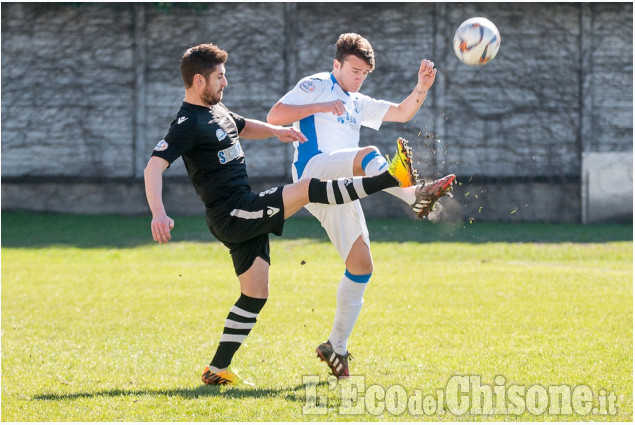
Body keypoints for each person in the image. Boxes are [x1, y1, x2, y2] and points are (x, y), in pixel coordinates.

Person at [143, 42, 423, 386]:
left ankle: (216, 369)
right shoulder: (187, 122)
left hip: (241, 211)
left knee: (256, 293)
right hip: (234, 212)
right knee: (307, 188)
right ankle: (386, 179)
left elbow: (243, 126)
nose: (225, 82)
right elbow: (154, 166)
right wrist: (158, 212)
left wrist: (277, 131)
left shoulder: (217, 112)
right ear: (198, 81)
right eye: (219, 77)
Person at [267, 33, 455, 379]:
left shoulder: (356, 100)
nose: (358, 78)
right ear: (336, 64)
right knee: (369, 154)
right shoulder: (317, 84)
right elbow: (276, 114)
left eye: (364, 74)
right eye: (353, 70)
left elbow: (402, 111)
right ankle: (414, 196)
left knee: (362, 266)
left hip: (340, 187)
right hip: (312, 174)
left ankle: (335, 347)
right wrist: (320, 106)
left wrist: (422, 87)